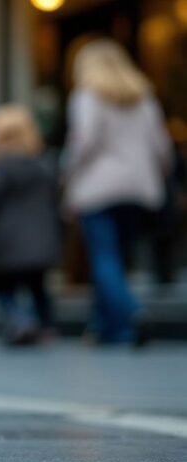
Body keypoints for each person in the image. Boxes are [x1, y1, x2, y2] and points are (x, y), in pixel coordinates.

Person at [64, 39, 172, 346]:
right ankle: (110, 329)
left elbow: (83, 143)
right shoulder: (144, 99)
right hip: (138, 188)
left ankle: (131, 311)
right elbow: (162, 149)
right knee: (116, 257)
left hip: (98, 187)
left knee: (103, 258)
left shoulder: (87, 96)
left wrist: (66, 175)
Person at [0, 105, 60, 346]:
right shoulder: (43, 165)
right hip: (42, 241)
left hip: (9, 241)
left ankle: (20, 320)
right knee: (38, 288)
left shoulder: (2, 168)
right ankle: (46, 327)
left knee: (3, 287)